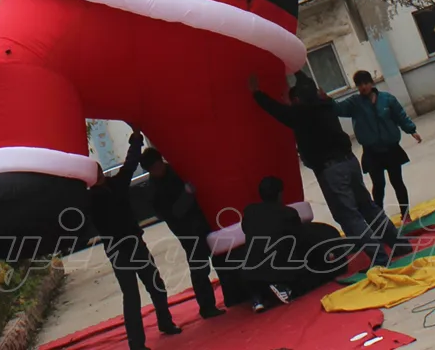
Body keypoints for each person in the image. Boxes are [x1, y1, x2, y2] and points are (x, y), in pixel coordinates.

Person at [249, 72, 411, 269]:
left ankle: (379, 259)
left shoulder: (300, 114)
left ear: (297, 99)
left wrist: (257, 93)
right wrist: (299, 72)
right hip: (350, 162)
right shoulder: (326, 105)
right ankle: (400, 245)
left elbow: (276, 110)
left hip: (331, 169)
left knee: (349, 215)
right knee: (367, 206)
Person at [88, 129, 181, 350]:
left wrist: (137, 139)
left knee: (154, 286)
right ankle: (138, 344)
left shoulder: (114, 185)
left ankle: (164, 323)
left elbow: (130, 163)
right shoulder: (89, 199)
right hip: (120, 250)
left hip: (132, 244)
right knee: (132, 297)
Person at [139, 148, 226, 320]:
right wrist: (187, 194)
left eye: (158, 165)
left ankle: (230, 295)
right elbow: (173, 213)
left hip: (202, 220)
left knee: (220, 258)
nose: (158, 170)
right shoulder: (154, 190)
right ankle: (207, 306)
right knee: (199, 267)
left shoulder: (175, 169)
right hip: (186, 230)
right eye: (154, 169)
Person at [241, 176, 340, 312]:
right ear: (280, 194)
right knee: (311, 274)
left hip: (250, 270)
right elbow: (300, 239)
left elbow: (246, 230)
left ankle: (257, 297)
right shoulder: (288, 213)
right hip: (275, 268)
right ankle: (281, 286)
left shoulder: (250, 211)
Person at [334, 71, 422, 222]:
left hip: (391, 148)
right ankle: (379, 218)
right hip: (372, 151)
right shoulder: (354, 103)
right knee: (378, 185)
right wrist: (323, 100)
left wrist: (411, 130)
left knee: (397, 181)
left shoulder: (387, 99)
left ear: (372, 83)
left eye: (365, 83)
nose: (363, 87)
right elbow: (337, 109)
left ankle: (405, 214)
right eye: (359, 84)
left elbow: (400, 116)